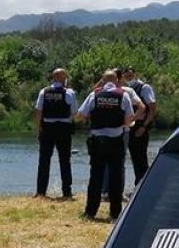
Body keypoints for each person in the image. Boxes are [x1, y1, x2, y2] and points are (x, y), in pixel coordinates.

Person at [75, 70, 136, 221]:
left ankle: (90, 212)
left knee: (96, 176)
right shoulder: (123, 95)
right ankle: (115, 214)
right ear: (116, 80)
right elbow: (129, 120)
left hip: (97, 140)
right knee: (116, 177)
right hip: (116, 141)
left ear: (102, 80)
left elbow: (80, 115)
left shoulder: (94, 95)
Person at [32, 68, 77, 199]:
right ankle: (67, 192)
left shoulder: (44, 91)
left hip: (47, 128)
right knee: (65, 160)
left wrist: (39, 128)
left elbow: (38, 112)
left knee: (44, 160)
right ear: (62, 78)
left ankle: (41, 192)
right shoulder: (69, 93)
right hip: (64, 129)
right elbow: (74, 113)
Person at [120, 67, 157, 187]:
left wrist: (144, 127)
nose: (128, 78)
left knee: (140, 159)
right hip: (128, 128)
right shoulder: (125, 90)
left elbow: (152, 109)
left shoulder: (144, 88)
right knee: (134, 159)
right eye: (126, 76)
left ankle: (144, 187)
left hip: (140, 128)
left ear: (135, 74)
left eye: (130, 75)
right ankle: (138, 187)